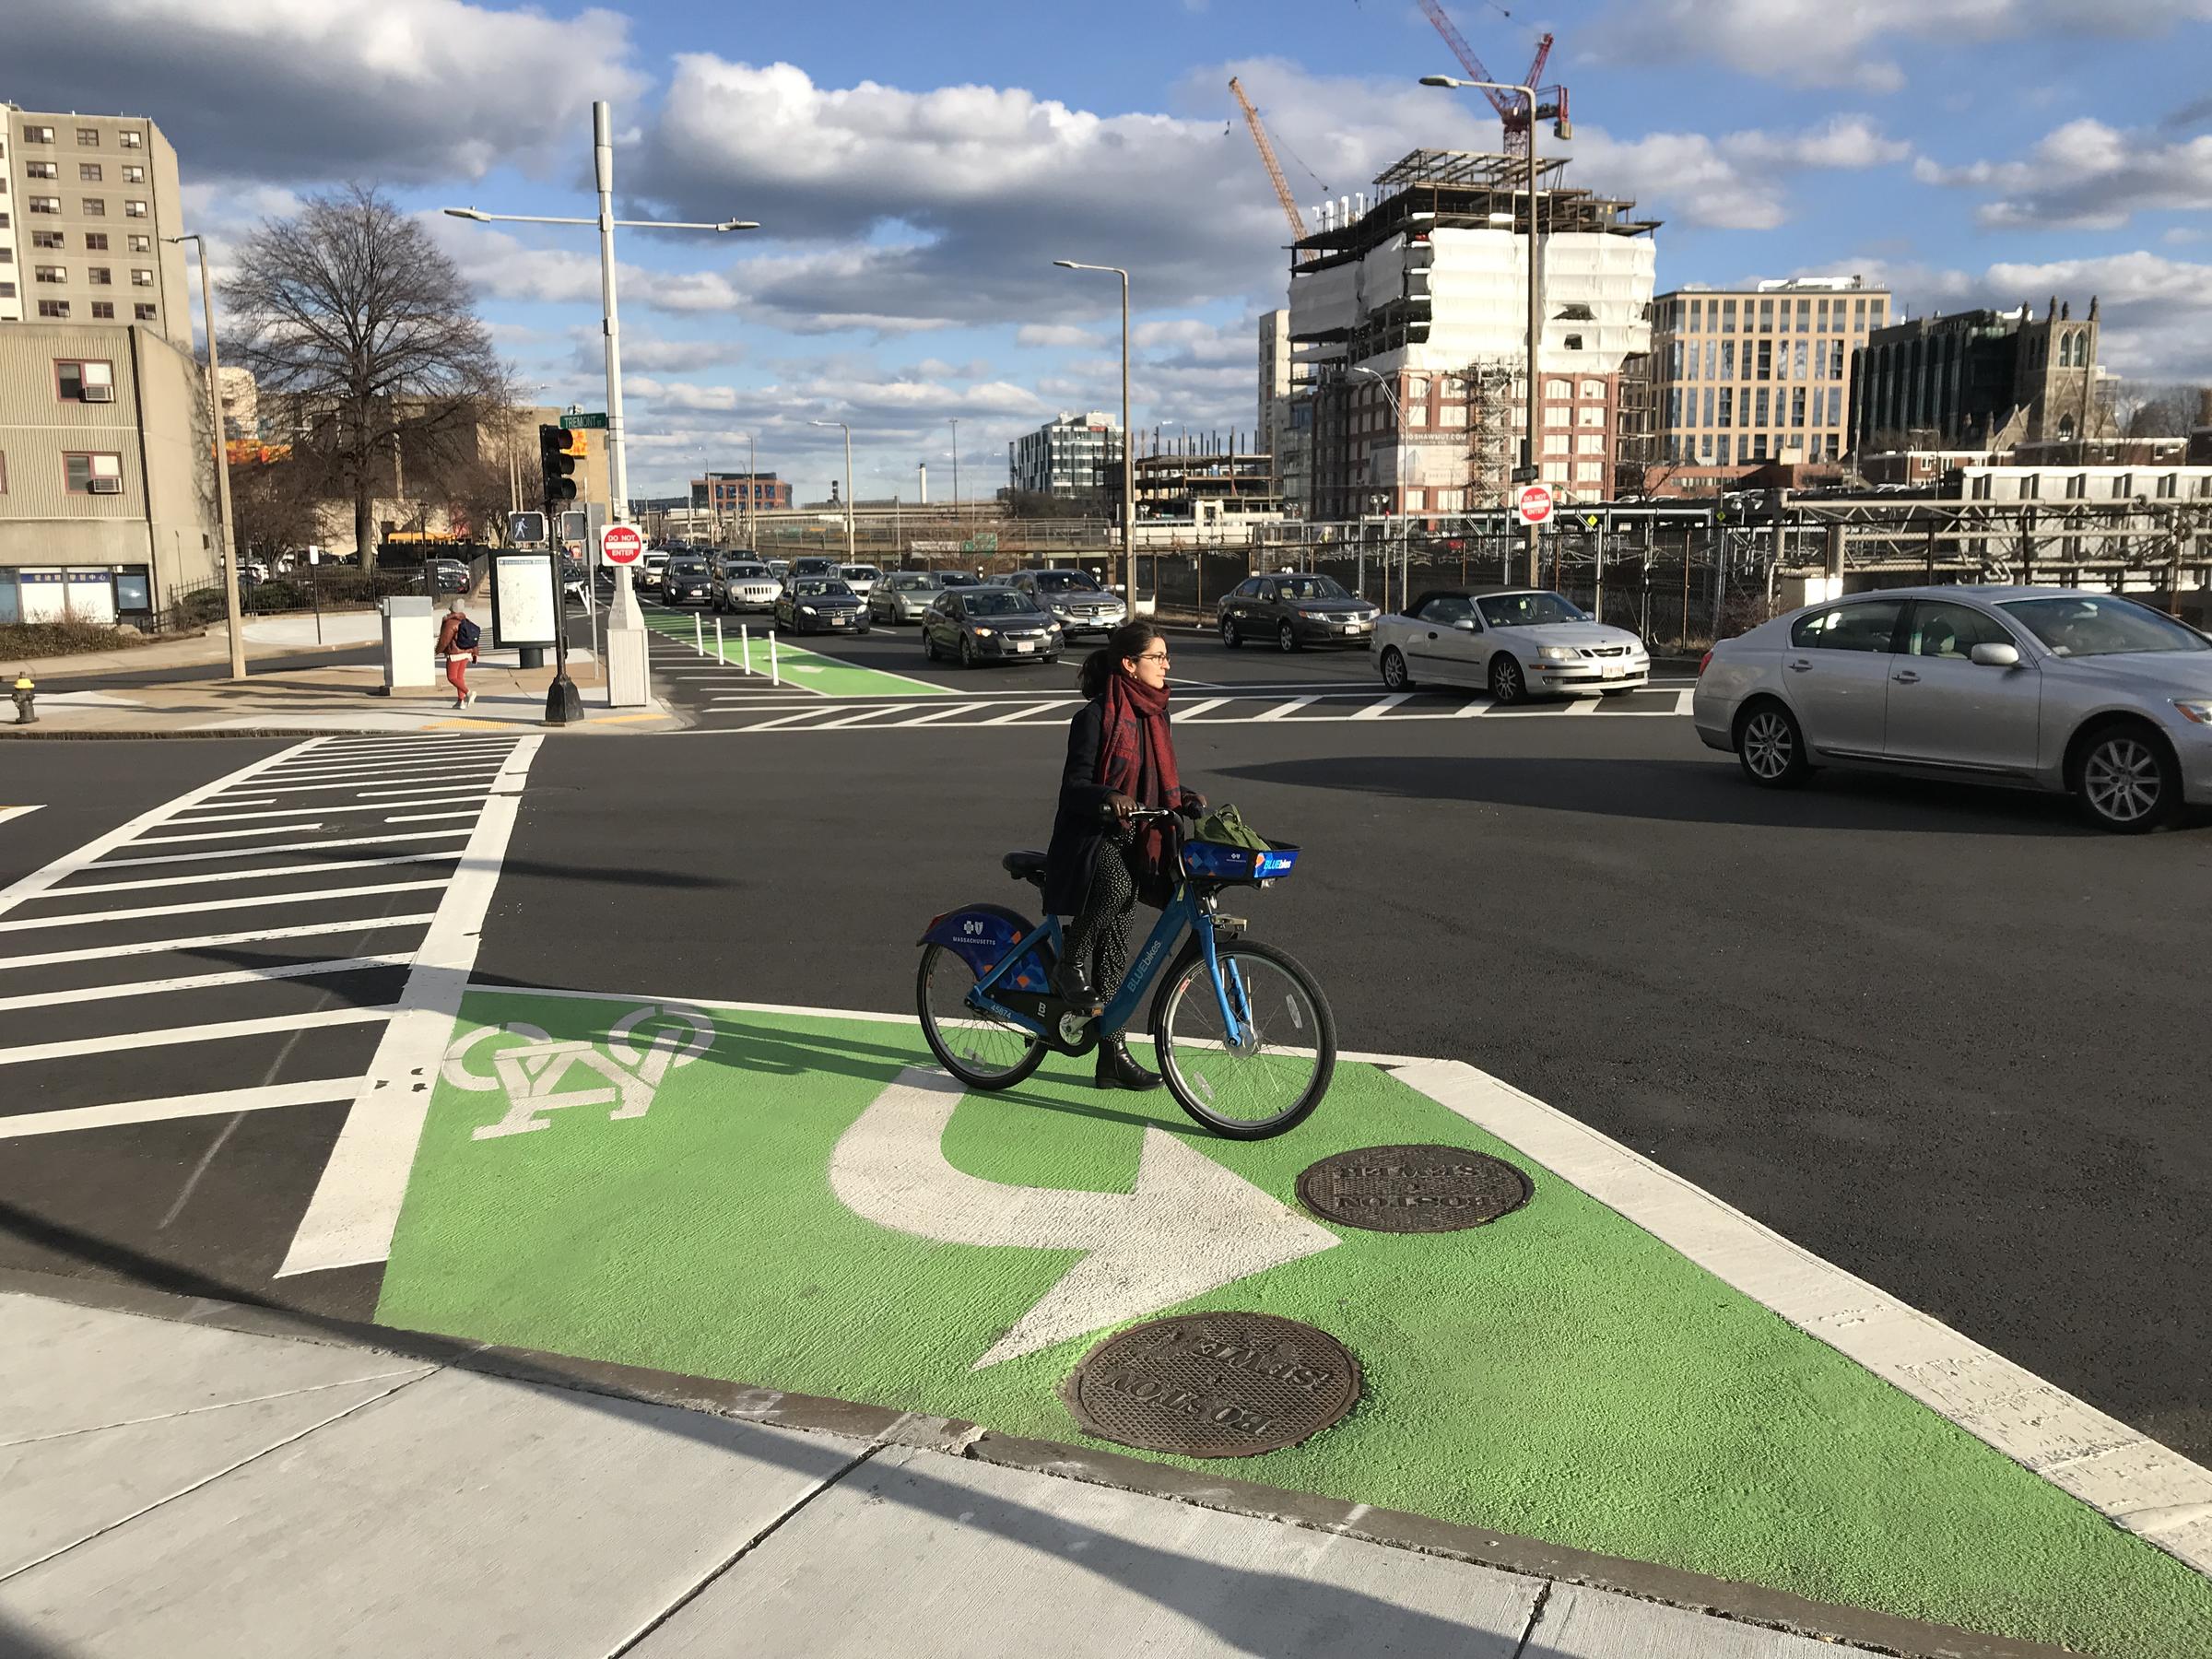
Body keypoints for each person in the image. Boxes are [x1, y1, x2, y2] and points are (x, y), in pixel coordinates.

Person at [1041, 619, 1205, 1091]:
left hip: (1133, 839)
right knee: (1117, 887)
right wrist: (1108, 796)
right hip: (1090, 840)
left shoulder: (1156, 715)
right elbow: (1074, 789)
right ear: (1130, 665)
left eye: (1166, 657)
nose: (1166, 665)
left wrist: (1184, 797)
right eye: (1158, 657)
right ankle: (1068, 963)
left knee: (1115, 951)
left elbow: (1155, 781)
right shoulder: (1094, 718)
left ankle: (1111, 1057)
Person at [434, 596, 480, 709]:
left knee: (452, 677)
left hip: (454, 654)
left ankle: (468, 693)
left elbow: (444, 640)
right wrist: (475, 653)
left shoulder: (449, 623)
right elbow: (473, 640)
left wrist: (437, 651)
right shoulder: (466, 621)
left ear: (452, 609)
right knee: (459, 677)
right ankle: (461, 701)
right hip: (466, 653)